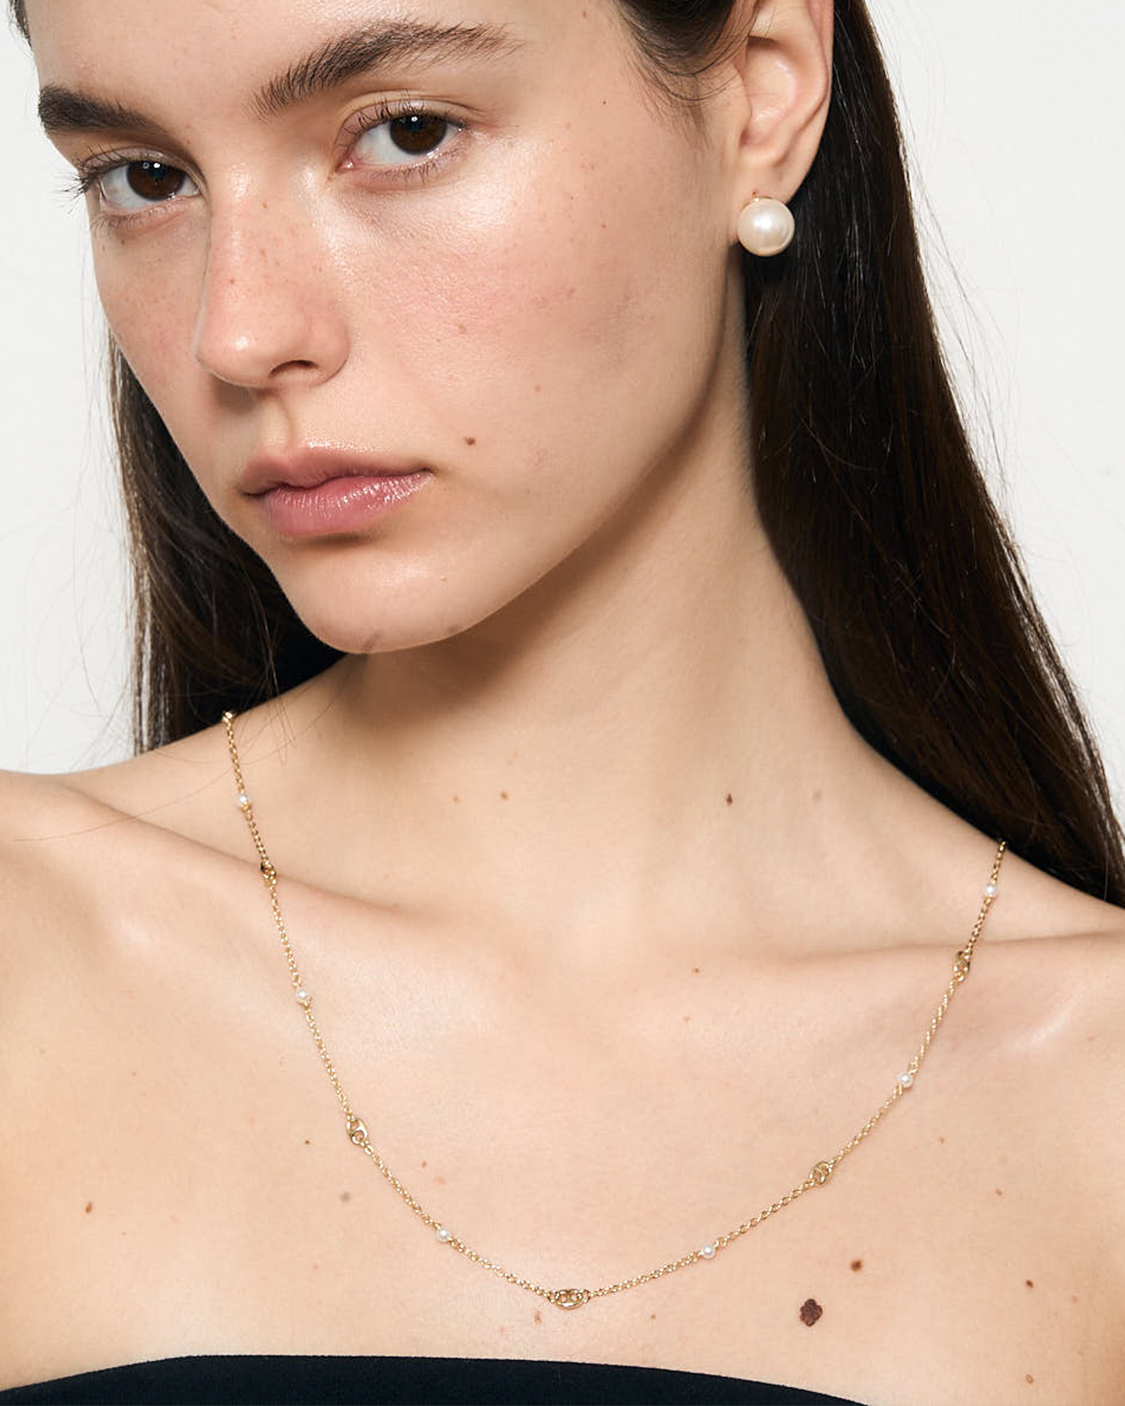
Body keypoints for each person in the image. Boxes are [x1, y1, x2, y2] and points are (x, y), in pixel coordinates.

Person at [1, 1, 1122, 1402]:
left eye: (404, 133)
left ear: (760, 98)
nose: (241, 331)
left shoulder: (1096, 1115)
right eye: (146, 177)